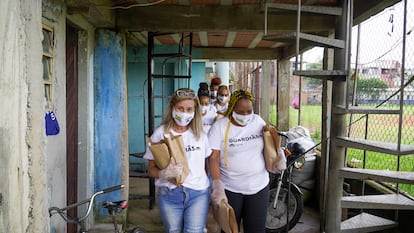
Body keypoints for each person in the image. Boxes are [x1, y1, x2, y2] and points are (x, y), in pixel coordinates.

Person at [143, 88, 211, 233]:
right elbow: (151, 169)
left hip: (198, 193)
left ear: (195, 111)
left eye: (189, 109)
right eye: (180, 108)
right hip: (170, 194)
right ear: (172, 108)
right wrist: (163, 174)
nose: (184, 113)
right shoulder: (161, 133)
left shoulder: (200, 135)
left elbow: (205, 167)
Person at [208, 89, 269, 233]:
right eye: (241, 112)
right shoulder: (219, 127)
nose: (246, 116)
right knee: (229, 229)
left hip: (259, 187)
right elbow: (214, 158)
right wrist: (217, 185)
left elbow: (268, 146)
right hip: (231, 189)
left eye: (249, 111)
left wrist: (276, 159)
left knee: (256, 230)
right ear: (232, 108)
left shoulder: (258, 122)